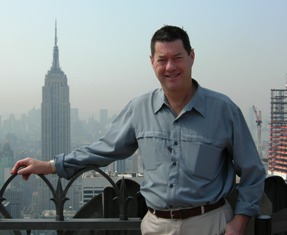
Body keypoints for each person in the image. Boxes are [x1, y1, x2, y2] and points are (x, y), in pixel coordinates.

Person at [11, 25, 266, 235]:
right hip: (156, 225)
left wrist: (240, 221)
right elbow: (105, 148)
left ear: (192, 57)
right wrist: (51, 165)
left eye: (177, 57)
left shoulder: (223, 110)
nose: (170, 67)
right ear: (151, 62)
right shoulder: (140, 108)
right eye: (162, 59)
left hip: (210, 224)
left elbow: (253, 171)